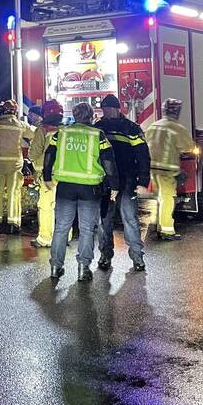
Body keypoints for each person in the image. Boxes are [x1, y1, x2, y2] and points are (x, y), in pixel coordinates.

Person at [43, 102, 119, 282]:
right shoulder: (97, 135)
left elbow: (49, 154)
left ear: (75, 116)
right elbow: (109, 162)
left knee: (61, 228)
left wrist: (47, 176)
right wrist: (114, 185)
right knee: (87, 229)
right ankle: (83, 268)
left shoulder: (61, 133)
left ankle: (55, 266)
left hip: (65, 187)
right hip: (89, 189)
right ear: (91, 116)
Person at [94, 94, 150, 272]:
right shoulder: (98, 128)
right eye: (104, 109)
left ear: (118, 109)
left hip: (126, 182)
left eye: (109, 109)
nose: (106, 112)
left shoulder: (131, 128)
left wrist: (143, 180)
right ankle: (105, 255)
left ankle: (137, 257)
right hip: (105, 182)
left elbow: (143, 156)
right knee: (104, 222)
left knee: (130, 220)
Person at [145, 98, 196, 241]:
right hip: (167, 171)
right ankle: (167, 230)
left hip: (152, 169)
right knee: (167, 199)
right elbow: (188, 147)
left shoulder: (154, 126)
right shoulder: (177, 128)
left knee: (159, 198)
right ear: (177, 112)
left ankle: (157, 225)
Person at [0, 99, 35, 234]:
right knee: (14, 193)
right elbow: (34, 134)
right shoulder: (21, 125)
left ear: (2, 110)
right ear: (15, 111)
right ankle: (14, 224)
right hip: (15, 165)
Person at [28, 100, 67, 249]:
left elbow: (33, 154)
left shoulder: (42, 130)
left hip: (47, 175)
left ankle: (45, 238)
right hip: (64, 175)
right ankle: (64, 237)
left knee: (46, 206)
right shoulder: (67, 130)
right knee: (62, 206)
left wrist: (36, 165)